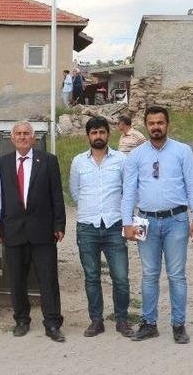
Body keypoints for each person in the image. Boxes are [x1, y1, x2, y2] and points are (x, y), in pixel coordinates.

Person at [121, 105, 193, 344]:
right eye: (151, 123)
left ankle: (178, 325)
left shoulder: (182, 151)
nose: (156, 127)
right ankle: (149, 323)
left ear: (167, 124)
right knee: (149, 274)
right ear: (145, 125)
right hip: (145, 221)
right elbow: (129, 191)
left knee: (176, 275)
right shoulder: (136, 155)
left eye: (160, 123)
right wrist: (127, 223)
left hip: (176, 221)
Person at [0, 121, 66, 342]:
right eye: (18, 133)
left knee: (48, 279)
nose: (22, 137)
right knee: (17, 280)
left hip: (42, 231)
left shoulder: (48, 161)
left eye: (26, 133)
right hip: (13, 230)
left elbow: (57, 195)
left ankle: (53, 323)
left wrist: (59, 225)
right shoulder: (3, 164)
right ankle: (21, 320)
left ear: (34, 138)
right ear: (12, 138)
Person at [69, 117, 134, 338]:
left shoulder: (121, 160)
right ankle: (96, 321)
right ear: (88, 136)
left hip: (115, 226)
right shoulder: (78, 161)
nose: (98, 136)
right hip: (87, 227)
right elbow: (75, 192)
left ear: (108, 134)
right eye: (94, 132)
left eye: (102, 132)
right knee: (92, 277)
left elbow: (128, 192)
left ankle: (122, 319)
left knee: (121, 277)